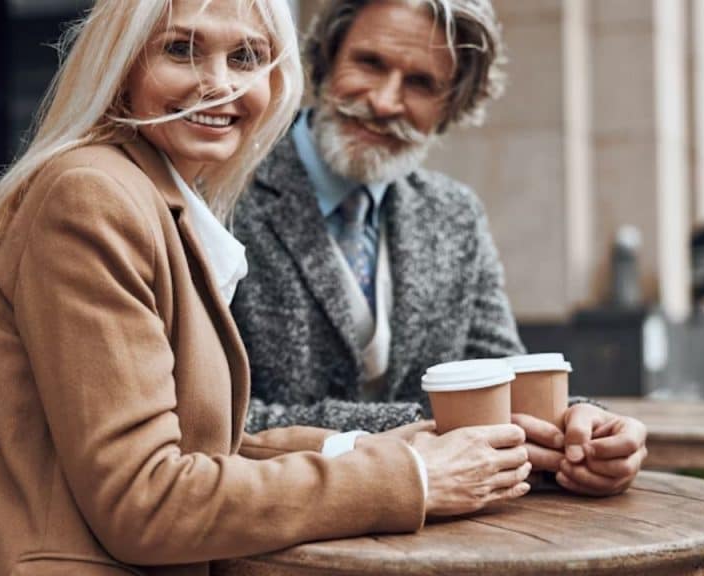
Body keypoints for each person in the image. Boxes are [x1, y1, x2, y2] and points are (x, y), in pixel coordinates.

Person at [0, 1, 534, 574]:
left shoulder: (158, 194)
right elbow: (145, 500)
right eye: (181, 49)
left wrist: (366, 448)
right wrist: (411, 477)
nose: (218, 83)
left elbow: (207, 445)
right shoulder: (92, 197)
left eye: (247, 57)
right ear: (122, 62)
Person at [232, 0, 647, 497]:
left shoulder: (454, 215)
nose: (385, 102)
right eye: (370, 63)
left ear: (453, 106)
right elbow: (212, 418)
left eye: (421, 84)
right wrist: (417, 430)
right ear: (325, 58)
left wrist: (588, 428)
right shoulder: (225, 184)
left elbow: (502, 379)